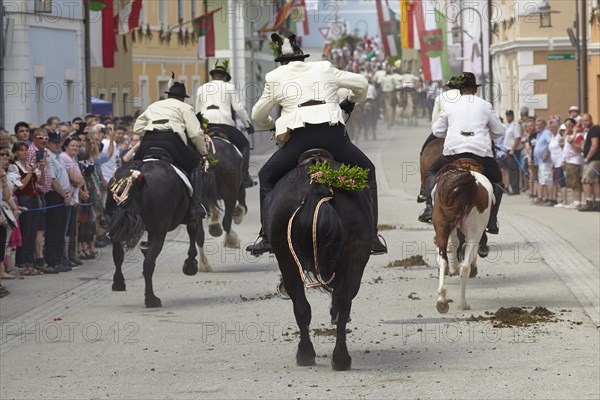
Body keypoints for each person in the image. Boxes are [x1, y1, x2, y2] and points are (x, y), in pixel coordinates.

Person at [246, 33, 387, 256]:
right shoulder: (324, 67)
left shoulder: (275, 76)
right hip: (332, 137)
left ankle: (267, 238)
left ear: (282, 62)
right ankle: (371, 236)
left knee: (266, 175)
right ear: (303, 58)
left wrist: (273, 125)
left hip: (300, 140)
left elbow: (257, 115)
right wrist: (349, 101)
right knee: (369, 170)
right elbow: (362, 84)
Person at [418, 72, 505, 235]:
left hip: (454, 154)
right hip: (480, 153)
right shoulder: (485, 105)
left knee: (432, 172)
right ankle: (492, 220)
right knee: (497, 180)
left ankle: (429, 208)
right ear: (475, 90)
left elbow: (437, 131)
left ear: (460, 90)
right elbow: (499, 131)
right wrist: (488, 134)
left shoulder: (450, 106)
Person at [133, 81, 209, 222]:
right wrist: (204, 153)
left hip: (148, 140)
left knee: (132, 168)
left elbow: (137, 127)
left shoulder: (153, 105)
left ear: (169, 95)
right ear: (182, 97)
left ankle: (126, 202)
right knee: (196, 165)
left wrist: (151, 129)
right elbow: (196, 133)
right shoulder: (185, 107)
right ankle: (195, 206)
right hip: (170, 140)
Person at [195, 61, 255, 189]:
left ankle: (193, 174)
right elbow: (238, 108)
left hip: (207, 126)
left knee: (194, 147)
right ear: (225, 77)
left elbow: (197, 111)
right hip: (225, 125)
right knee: (245, 144)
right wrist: (248, 124)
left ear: (213, 76)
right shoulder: (229, 87)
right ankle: (244, 176)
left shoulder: (201, 88)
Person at [579, 114, 600, 212]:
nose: (584, 122)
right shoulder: (590, 130)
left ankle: (588, 203)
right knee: (595, 181)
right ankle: (598, 203)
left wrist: (587, 157)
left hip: (594, 159)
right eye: (583, 121)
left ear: (591, 120)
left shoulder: (594, 129)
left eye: (586, 120)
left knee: (585, 180)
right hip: (595, 159)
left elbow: (595, 145)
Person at [501, 110, 523, 195]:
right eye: (507, 116)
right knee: (510, 170)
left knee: (513, 170)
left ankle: (515, 188)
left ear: (513, 116)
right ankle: (512, 187)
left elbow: (517, 138)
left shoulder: (515, 125)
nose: (508, 117)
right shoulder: (509, 126)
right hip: (508, 151)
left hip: (513, 151)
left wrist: (513, 149)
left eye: (509, 116)